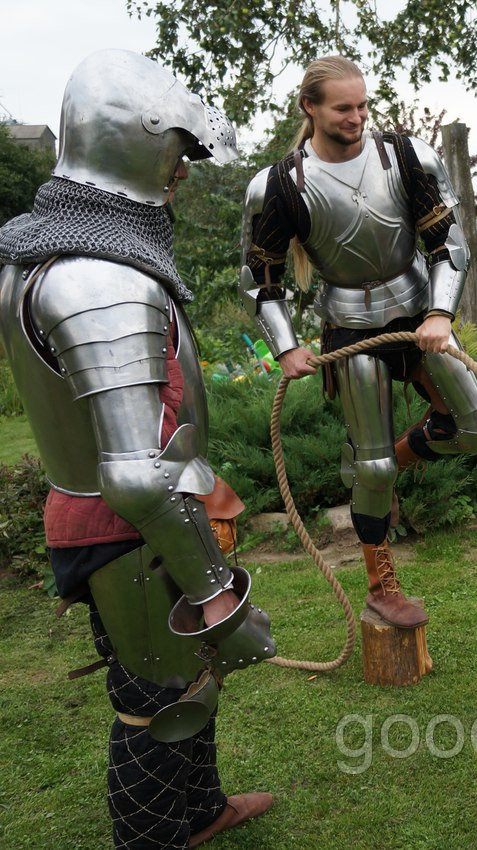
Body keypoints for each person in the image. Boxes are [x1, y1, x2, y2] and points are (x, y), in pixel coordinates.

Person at [0, 50, 274, 847]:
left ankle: (201, 811)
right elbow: (135, 473)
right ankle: (157, 834)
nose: (183, 171)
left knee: (184, 681)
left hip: (109, 513)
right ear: (133, 145)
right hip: (130, 528)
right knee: (159, 697)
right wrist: (221, 597)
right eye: (178, 152)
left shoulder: (37, 251)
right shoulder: (99, 279)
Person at [240, 56, 477, 629]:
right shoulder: (279, 186)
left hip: (419, 316)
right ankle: (382, 583)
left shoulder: (406, 157)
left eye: (362, 106)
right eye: (342, 108)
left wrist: (439, 312)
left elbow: (449, 247)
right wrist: (285, 348)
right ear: (310, 108)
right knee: (373, 471)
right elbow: (261, 282)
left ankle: (388, 459)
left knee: (475, 433)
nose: (357, 117)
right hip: (350, 328)